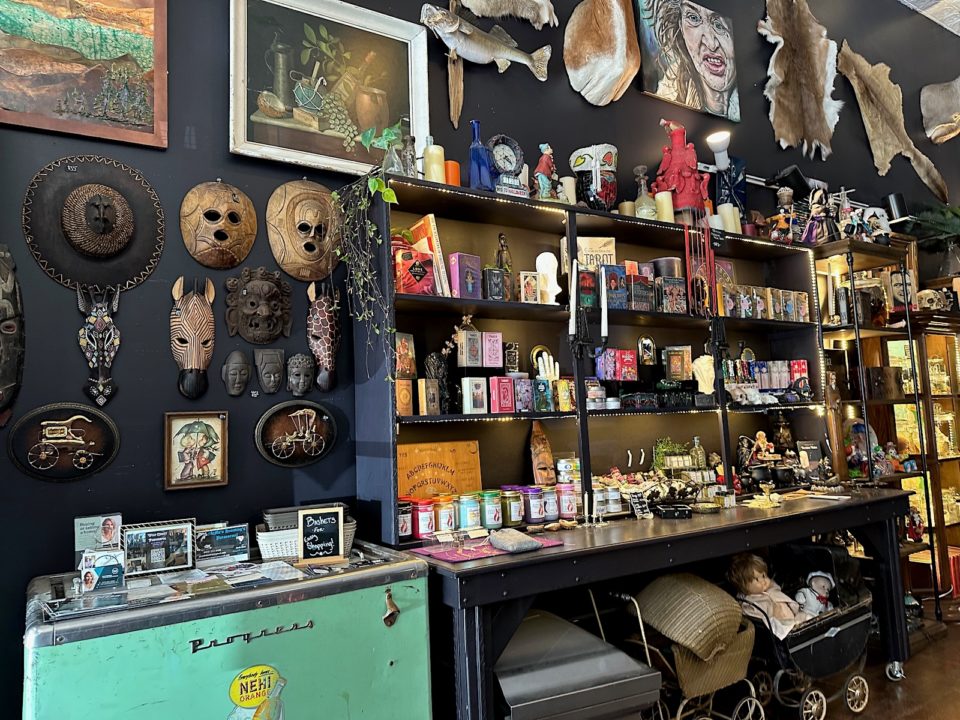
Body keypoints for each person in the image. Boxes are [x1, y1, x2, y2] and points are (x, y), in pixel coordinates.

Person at [647, 0, 739, 121]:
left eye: (719, 25)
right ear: (681, 26)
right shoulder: (669, 92)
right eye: (694, 18)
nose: (711, 43)